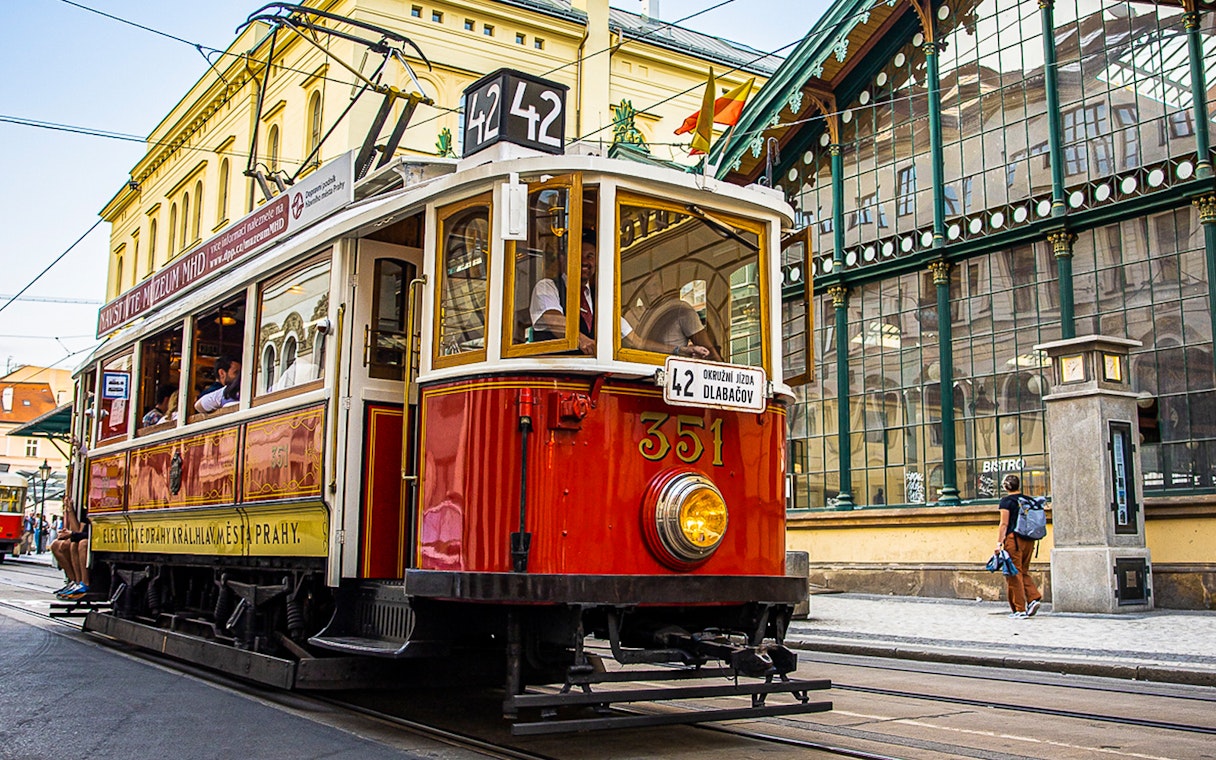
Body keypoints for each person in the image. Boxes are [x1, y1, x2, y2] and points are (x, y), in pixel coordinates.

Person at [530, 229, 598, 354]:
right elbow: (554, 320)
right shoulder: (546, 287)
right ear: (563, 258)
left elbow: (632, 339)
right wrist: (582, 340)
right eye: (578, 255)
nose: (584, 261)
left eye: (590, 256)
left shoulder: (599, 297)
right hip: (554, 370)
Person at [996, 474, 1043, 619]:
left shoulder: (1006, 501)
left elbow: (1004, 523)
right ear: (1018, 485)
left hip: (1014, 540)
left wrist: (999, 542)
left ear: (1005, 486)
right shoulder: (1027, 500)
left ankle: (1020, 608)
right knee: (1023, 571)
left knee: (1014, 573)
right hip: (1029, 539)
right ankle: (1033, 597)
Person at [50, 506, 90, 601]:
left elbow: (80, 532)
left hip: (91, 538)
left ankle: (85, 582)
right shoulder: (84, 511)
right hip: (84, 536)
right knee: (57, 545)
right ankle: (75, 581)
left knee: (80, 544)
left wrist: (72, 534)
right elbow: (80, 531)